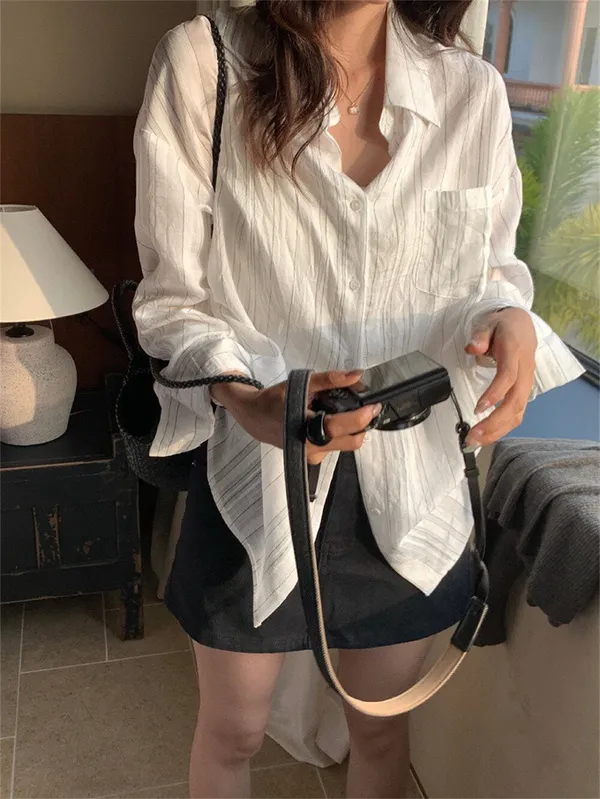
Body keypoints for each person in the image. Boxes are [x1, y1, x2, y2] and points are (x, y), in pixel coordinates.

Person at [132, 2, 583, 797]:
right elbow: (175, 302)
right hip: (253, 480)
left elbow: (487, 273)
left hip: (408, 488)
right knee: (232, 729)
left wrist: (508, 317)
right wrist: (249, 396)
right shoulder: (205, 66)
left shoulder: (469, 90)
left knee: (379, 728)